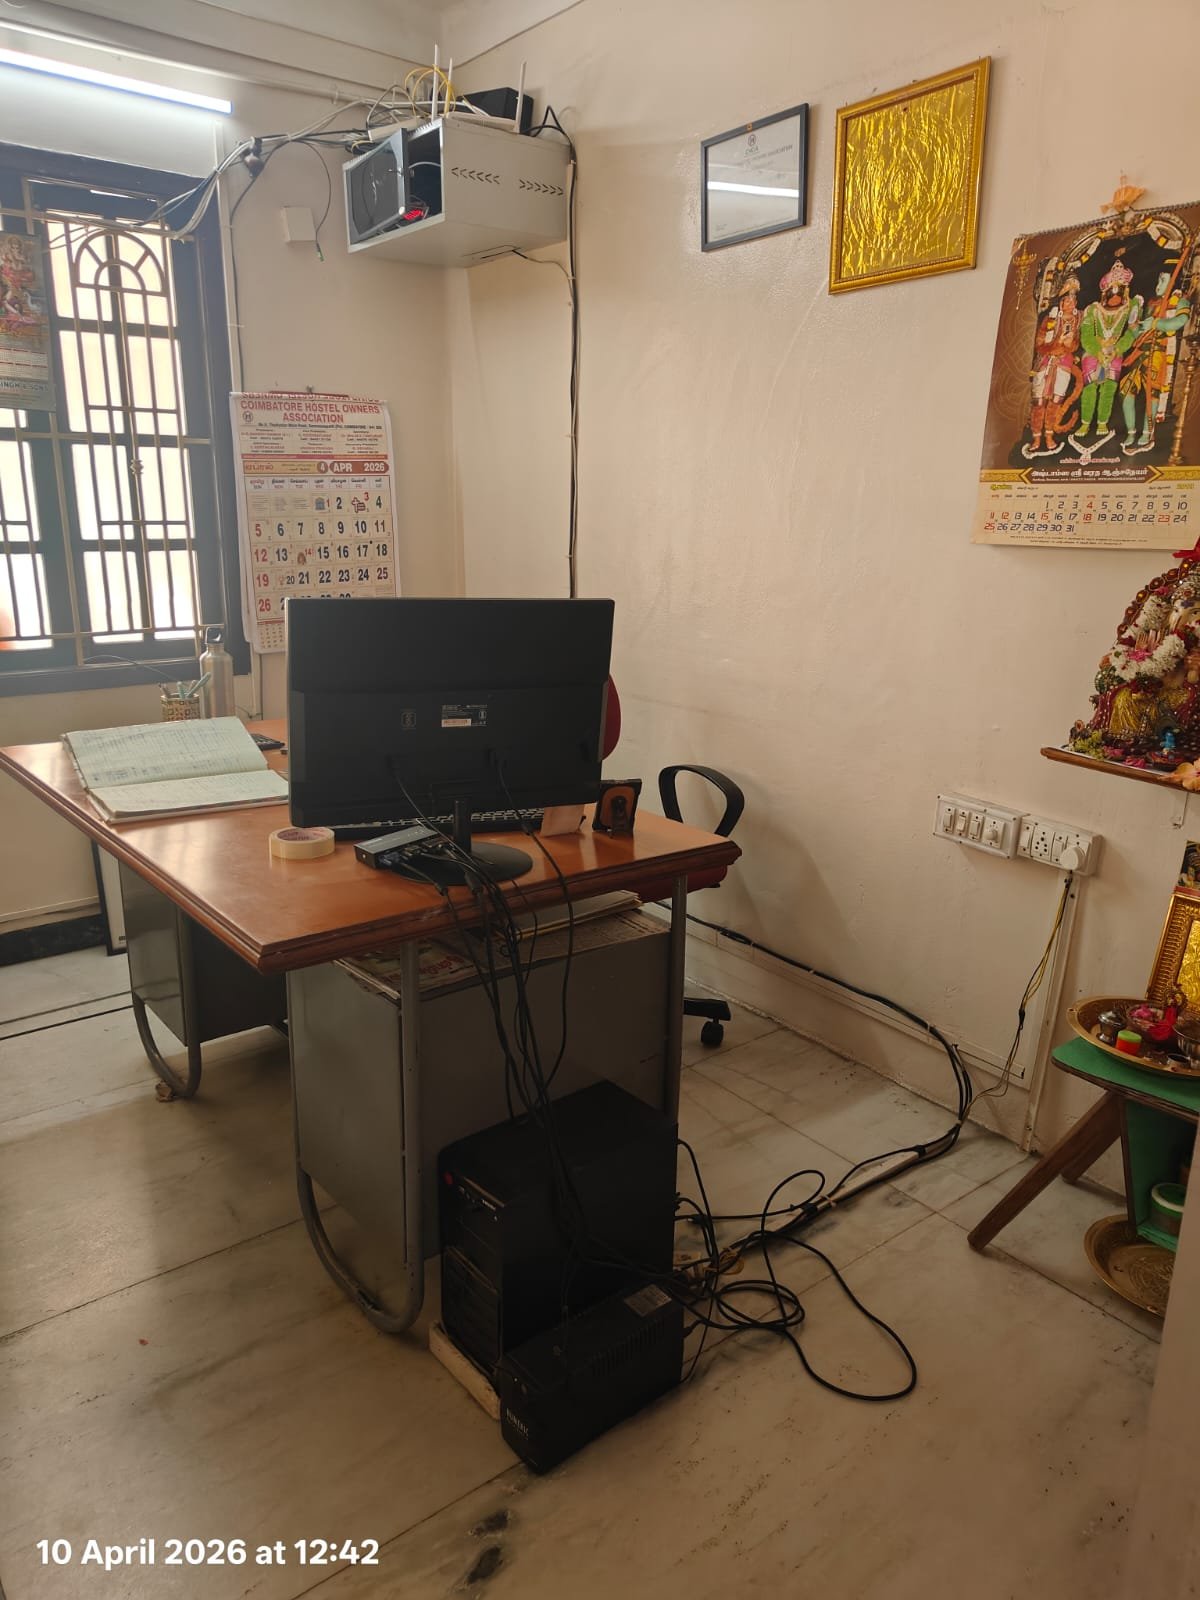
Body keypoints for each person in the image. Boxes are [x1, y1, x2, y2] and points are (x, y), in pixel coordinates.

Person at [1120, 256, 1192, 454]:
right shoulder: (1151, 302)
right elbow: (1138, 331)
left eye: (1163, 280)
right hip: (1142, 353)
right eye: (1158, 279)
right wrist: (1135, 321)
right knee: (1126, 391)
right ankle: (1131, 432)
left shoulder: (1180, 300)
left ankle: (1146, 433)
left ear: (1173, 282)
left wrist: (1156, 324)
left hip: (1160, 354)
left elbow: (1179, 322)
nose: (1158, 284)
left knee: (1152, 395)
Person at [1072, 255, 1143, 451]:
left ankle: (1102, 421)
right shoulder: (1093, 310)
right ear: (1104, 291)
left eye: (1119, 291)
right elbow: (1086, 335)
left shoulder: (1131, 307)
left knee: (1109, 388)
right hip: (1093, 353)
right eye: (1111, 291)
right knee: (1090, 387)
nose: (1115, 296)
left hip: (1115, 353)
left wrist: (1117, 350)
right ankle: (1086, 422)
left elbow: (1132, 332)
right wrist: (1097, 352)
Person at [1023, 276, 1082, 458]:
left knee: (1056, 401)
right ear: (1061, 302)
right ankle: (1036, 438)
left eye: (1073, 301)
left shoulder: (1077, 320)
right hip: (1045, 363)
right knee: (1039, 401)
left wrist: (1069, 344)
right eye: (1066, 301)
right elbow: (1039, 343)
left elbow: (1076, 345)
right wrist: (1055, 346)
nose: (1070, 304)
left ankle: (1049, 436)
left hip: (1063, 364)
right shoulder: (1049, 319)